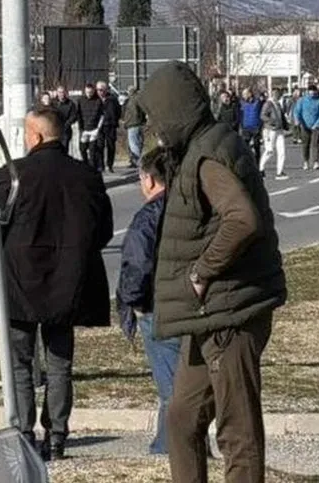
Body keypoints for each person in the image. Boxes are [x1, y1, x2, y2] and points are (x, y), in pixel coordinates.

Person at [134, 62, 286, 483]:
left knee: (237, 431)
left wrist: (201, 273)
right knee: (181, 419)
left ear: (175, 109)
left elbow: (242, 220)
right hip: (211, 316)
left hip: (230, 314)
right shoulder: (200, 147)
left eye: (155, 116)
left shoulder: (209, 155)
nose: (153, 127)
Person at [0, 108, 113, 461]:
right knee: (60, 361)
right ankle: (57, 434)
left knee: (19, 361)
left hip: (19, 281)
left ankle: (23, 432)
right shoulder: (86, 176)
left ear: (34, 136)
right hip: (68, 282)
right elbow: (103, 230)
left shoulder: (13, 175)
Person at [117, 149, 181, 456]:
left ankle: (172, 448)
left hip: (158, 306)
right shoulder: (190, 209)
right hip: (192, 303)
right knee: (187, 383)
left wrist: (133, 301)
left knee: (171, 387)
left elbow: (138, 264)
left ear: (149, 179)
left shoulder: (148, 216)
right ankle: (177, 443)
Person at [292, 85, 319, 171]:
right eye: (310, 91)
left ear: (316, 92)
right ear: (308, 92)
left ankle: (316, 161)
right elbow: (297, 111)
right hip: (305, 125)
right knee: (305, 144)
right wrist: (297, 120)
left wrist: (317, 124)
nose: (312, 93)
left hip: (316, 126)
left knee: (315, 144)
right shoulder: (302, 100)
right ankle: (305, 161)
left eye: (313, 91)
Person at [259, 88, 290, 181]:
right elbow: (263, 115)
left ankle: (279, 172)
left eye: (278, 94)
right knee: (270, 150)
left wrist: (286, 125)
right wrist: (271, 121)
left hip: (279, 130)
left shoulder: (278, 104)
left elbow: (281, 116)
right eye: (275, 94)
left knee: (282, 151)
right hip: (270, 130)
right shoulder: (268, 104)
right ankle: (261, 168)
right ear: (272, 94)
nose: (277, 95)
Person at [76, 83, 105, 172]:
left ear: (93, 91)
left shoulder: (98, 101)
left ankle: (92, 170)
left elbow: (102, 116)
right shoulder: (80, 100)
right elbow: (78, 114)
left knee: (92, 151)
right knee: (82, 149)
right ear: (85, 91)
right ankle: (85, 164)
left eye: (91, 92)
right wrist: (80, 128)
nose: (89, 94)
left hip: (94, 130)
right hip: (84, 129)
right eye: (87, 92)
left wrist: (98, 129)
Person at [95, 81, 122, 173]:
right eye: (98, 90)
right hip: (99, 126)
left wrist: (114, 120)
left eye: (101, 90)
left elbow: (118, 111)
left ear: (106, 90)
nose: (100, 92)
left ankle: (110, 165)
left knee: (111, 146)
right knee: (99, 146)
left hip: (110, 125)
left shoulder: (112, 99)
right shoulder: (95, 99)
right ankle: (100, 165)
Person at [123, 88, 146, 169]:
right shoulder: (140, 99)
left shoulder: (131, 101)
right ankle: (136, 161)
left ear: (130, 92)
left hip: (133, 124)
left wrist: (126, 123)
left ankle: (138, 162)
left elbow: (133, 114)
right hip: (141, 124)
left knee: (133, 144)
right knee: (139, 144)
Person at [238, 89, 263, 159]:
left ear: (249, 94)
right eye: (243, 95)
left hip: (255, 128)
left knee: (256, 147)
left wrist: (260, 126)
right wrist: (241, 126)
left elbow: (261, 114)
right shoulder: (242, 103)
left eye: (244, 94)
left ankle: (258, 164)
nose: (243, 96)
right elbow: (240, 115)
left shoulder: (258, 103)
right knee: (245, 147)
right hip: (246, 128)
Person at [52, 86, 78, 154]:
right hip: (55, 131)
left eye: (63, 92)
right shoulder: (53, 103)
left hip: (65, 131)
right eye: (60, 92)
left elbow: (74, 116)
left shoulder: (71, 104)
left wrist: (66, 124)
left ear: (65, 93)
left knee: (64, 150)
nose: (61, 94)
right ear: (57, 93)